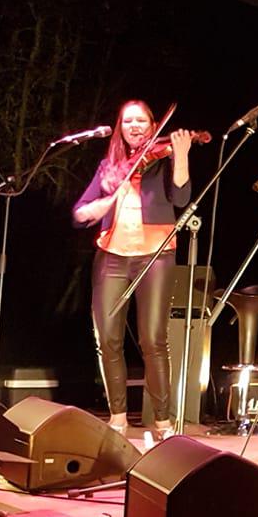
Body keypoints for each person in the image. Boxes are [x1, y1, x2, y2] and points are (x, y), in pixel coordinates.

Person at [73, 100, 193, 438]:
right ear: (120, 127)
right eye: (128, 121)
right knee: (107, 339)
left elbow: (181, 198)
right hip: (111, 255)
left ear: (153, 125)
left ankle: (163, 424)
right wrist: (103, 203)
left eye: (142, 120)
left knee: (153, 339)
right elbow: (80, 213)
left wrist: (181, 153)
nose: (135, 126)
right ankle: (118, 418)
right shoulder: (109, 168)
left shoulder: (162, 160)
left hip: (154, 255)